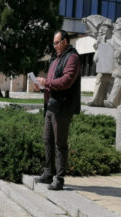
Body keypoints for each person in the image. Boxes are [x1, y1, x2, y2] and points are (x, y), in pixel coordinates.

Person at [34, 30, 81, 191]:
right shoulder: (55, 60)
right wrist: (41, 87)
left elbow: (66, 81)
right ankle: (48, 173)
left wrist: (46, 82)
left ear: (65, 41)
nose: (54, 46)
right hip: (51, 106)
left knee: (60, 143)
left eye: (56, 43)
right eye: (53, 43)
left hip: (62, 107)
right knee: (47, 140)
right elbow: (51, 84)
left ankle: (59, 179)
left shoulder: (72, 58)